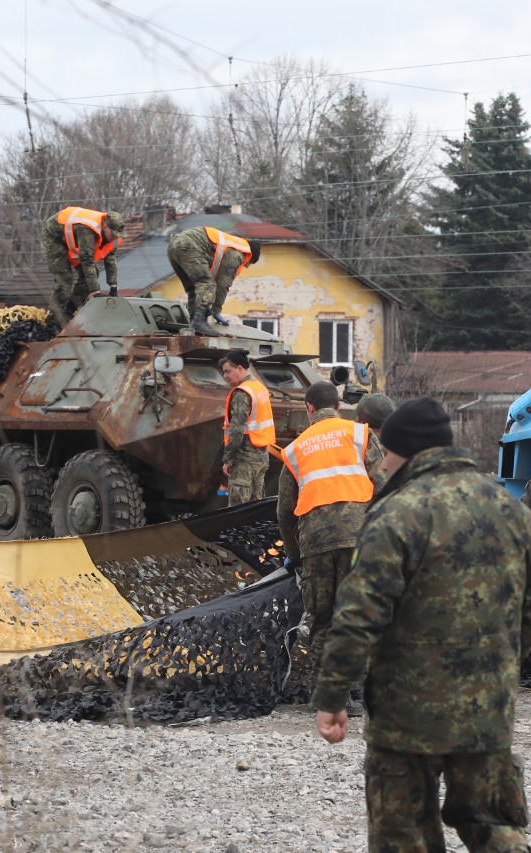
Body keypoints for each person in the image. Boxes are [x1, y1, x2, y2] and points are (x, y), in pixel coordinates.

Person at [312, 397, 531, 853]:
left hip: (406, 715)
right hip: (487, 706)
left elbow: (359, 614)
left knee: (403, 833)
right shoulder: (514, 511)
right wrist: (500, 665)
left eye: (384, 452)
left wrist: (331, 695)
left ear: (406, 451)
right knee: (493, 822)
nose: (381, 463)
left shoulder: (396, 514)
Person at [277, 381, 383, 689]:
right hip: (358, 538)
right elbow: (385, 485)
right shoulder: (360, 434)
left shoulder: (295, 449)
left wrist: (293, 554)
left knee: (322, 618)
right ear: (338, 406)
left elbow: (285, 511)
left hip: (315, 544)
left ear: (309, 409)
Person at [167, 226, 261, 336]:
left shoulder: (231, 244)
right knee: (207, 282)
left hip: (174, 246)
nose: (247, 266)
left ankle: (193, 321)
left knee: (193, 288)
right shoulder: (238, 253)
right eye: (250, 263)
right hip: (188, 246)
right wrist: (216, 309)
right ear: (250, 256)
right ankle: (198, 321)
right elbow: (223, 283)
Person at [41, 206, 126, 321]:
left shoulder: (114, 237)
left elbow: (110, 260)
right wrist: (95, 292)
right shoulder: (88, 230)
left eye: (118, 235)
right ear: (105, 226)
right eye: (114, 234)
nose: (115, 237)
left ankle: (69, 311)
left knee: (93, 274)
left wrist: (113, 288)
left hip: (74, 241)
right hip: (54, 235)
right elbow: (87, 259)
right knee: (65, 278)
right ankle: (52, 319)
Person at [219, 349, 274, 505]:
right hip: (261, 458)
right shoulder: (259, 388)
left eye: (227, 371)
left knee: (238, 509)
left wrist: (228, 459)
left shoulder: (242, 393)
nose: (225, 376)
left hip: (244, 459)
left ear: (240, 368)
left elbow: (236, 430)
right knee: (255, 506)